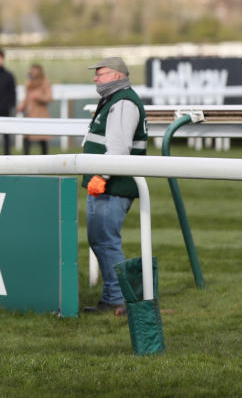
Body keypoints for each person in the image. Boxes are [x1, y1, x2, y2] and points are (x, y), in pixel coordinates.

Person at [81, 57, 148, 315]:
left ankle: (117, 299)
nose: (96, 79)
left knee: (106, 241)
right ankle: (114, 296)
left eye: (101, 74)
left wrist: (102, 176)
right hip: (107, 183)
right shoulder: (114, 100)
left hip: (113, 185)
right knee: (100, 240)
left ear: (118, 76)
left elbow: (119, 148)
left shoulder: (124, 102)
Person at [17, 63, 52, 154]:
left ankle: (45, 159)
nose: (30, 72)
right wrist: (22, 106)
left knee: (42, 139)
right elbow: (27, 98)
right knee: (26, 139)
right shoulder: (29, 83)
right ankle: (26, 160)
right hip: (29, 115)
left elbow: (49, 97)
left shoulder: (45, 82)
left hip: (41, 116)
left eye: (32, 71)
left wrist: (38, 96)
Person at [0, 49, 17, 155]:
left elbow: (13, 93)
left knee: (6, 133)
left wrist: (11, 106)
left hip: (4, 108)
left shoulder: (9, 76)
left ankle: (7, 155)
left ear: (3, 59)